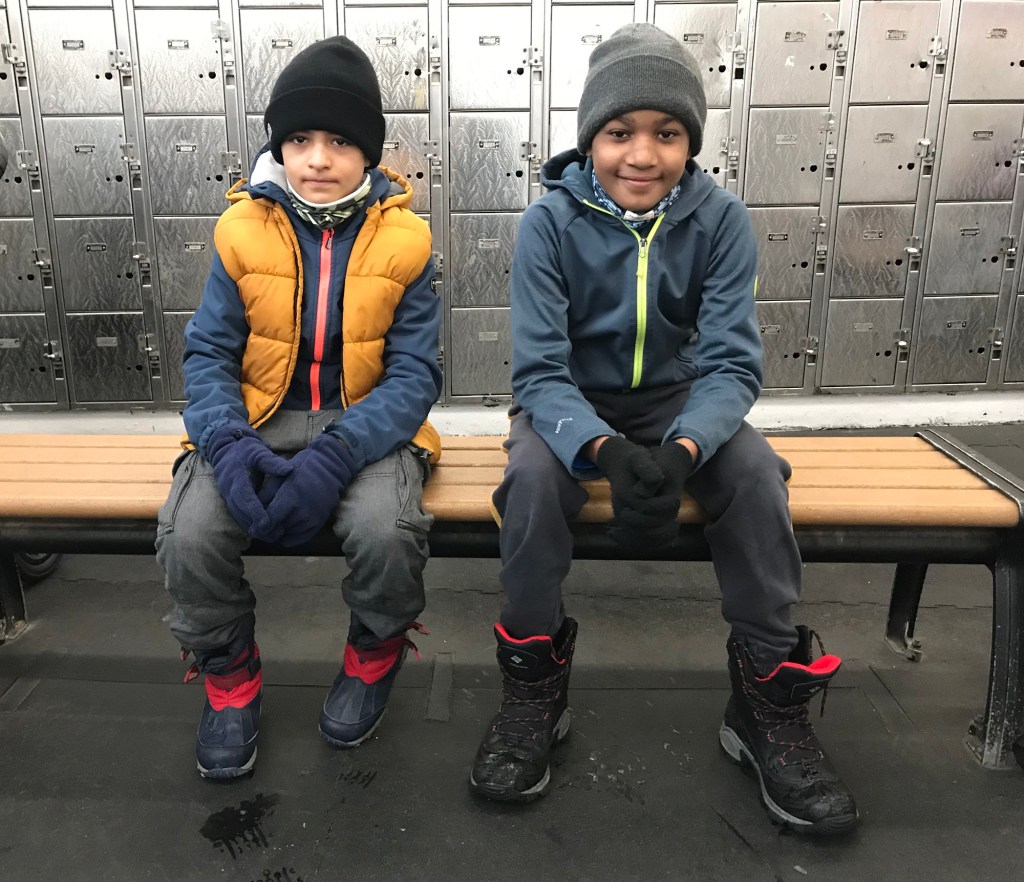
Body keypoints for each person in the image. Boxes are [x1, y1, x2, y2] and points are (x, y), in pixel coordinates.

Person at [467, 23, 858, 834]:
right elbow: (538, 372)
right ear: (591, 139)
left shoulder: (720, 222)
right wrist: (602, 449)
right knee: (534, 483)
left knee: (754, 477)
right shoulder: (548, 225)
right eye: (619, 133)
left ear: (690, 143)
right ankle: (532, 689)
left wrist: (682, 451)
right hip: (571, 402)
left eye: (667, 134)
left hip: (682, 402)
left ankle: (766, 700)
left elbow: (732, 368)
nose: (641, 155)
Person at [155, 36, 442, 779]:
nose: (317, 158)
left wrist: (343, 450)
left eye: (340, 141)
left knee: (389, 530)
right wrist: (225, 443)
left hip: (364, 424)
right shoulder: (239, 230)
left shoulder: (407, 241)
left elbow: (414, 375)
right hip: (255, 421)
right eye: (299, 139)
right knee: (189, 533)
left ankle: (373, 654)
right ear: (278, 146)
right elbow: (209, 355)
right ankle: (229, 676)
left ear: (369, 153)